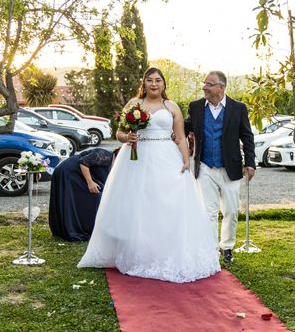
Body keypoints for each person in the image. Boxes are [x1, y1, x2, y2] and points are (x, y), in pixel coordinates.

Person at [78, 67, 220, 282]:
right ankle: (139, 251)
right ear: (143, 83)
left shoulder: (172, 107)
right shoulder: (133, 105)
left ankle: (166, 249)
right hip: (137, 158)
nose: (154, 84)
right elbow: (119, 133)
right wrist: (128, 138)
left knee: (166, 204)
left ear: (164, 84)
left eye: (158, 80)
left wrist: (185, 160)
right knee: (139, 204)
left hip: (166, 157)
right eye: (150, 80)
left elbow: (180, 137)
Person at [184, 71, 256, 265]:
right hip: (205, 166)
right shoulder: (196, 107)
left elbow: (247, 136)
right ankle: (209, 249)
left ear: (221, 87)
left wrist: (250, 162)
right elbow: (184, 128)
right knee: (208, 211)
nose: (204, 87)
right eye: (204, 83)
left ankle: (227, 247)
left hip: (230, 168)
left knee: (231, 211)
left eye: (208, 84)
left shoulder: (238, 108)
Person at [49, 147, 118, 241]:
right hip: (68, 171)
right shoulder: (105, 154)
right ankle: (71, 229)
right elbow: (84, 162)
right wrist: (90, 182)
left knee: (90, 198)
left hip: (78, 174)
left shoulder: (119, 167)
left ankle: (80, 227)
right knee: (71, 199)